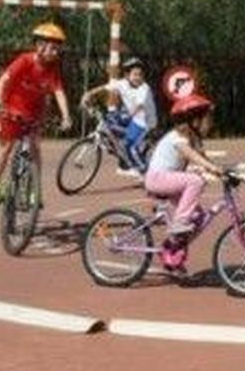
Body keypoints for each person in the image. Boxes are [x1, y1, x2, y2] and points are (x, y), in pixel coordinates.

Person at [0, 22, 73, 206]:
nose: (56, 52)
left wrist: (66, 116)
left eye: (58, 49)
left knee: (35, 148)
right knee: (7, 147)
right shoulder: (24, 61)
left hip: (34, 113)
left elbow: (59, 92)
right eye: (52, 48)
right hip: (11, 109)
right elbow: (2, 81)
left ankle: (35, 190)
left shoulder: (53, 68)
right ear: (40, 46)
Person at [143, 93, 227, 273]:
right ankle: (179, 224)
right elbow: (192, 156)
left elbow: (205, 159)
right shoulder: (177, 137)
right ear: (194, 120)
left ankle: (172, 251)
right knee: (196, 181)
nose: (210, 123)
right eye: (207, 119)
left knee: (197, 218)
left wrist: (223, 173)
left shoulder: (193, 139)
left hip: (170, 180)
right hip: (157, 179)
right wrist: (211, 169)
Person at [81, 56, 157, 171]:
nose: (138, 77)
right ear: (127, 75)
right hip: (134, 119)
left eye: (140, 75)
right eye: (135, 74)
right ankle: (122, 156)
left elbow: (139, 105)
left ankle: (144, 171)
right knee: (111, 120)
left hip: (145, 122)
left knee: (131, 147)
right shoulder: (122, 84)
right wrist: (89, 93)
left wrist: (129, 115)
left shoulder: (144, 88)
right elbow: (105, 88)